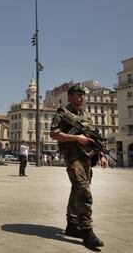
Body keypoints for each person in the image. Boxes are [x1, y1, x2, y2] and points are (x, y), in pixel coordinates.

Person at [50, 84, 107, 248]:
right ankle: (87, 231)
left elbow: (93, 139)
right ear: (70, 97)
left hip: (87, 157)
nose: (81, 98)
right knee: (83, 190)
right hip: (72, 157)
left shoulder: (86, 115)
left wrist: (101, 154)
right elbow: (54, 133)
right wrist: (76, 138)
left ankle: (72, 224)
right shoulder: (63, 113)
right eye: (77, 95)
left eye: (83, 95)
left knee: (77, 189)